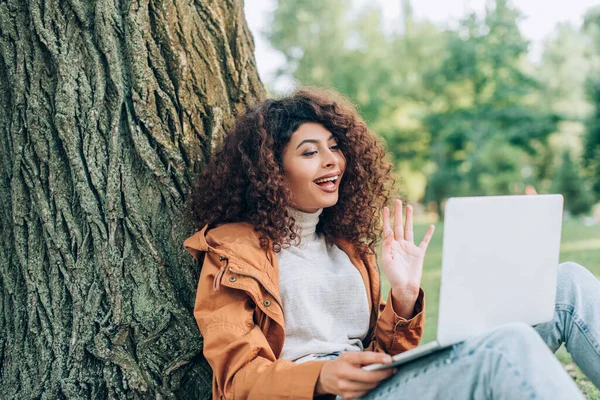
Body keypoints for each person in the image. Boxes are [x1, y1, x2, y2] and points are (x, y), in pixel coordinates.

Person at [184, 87, 600, 399]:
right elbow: (236, 380)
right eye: (310, 152)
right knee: (507, 345)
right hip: (323, 394)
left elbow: (378, 355)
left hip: (375, 387)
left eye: (335, 147)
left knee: (566, 285)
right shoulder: (232, 251)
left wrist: (402, 300)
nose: (332, 160)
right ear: (271, 169)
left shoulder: (345, 246)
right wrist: (321, 377)